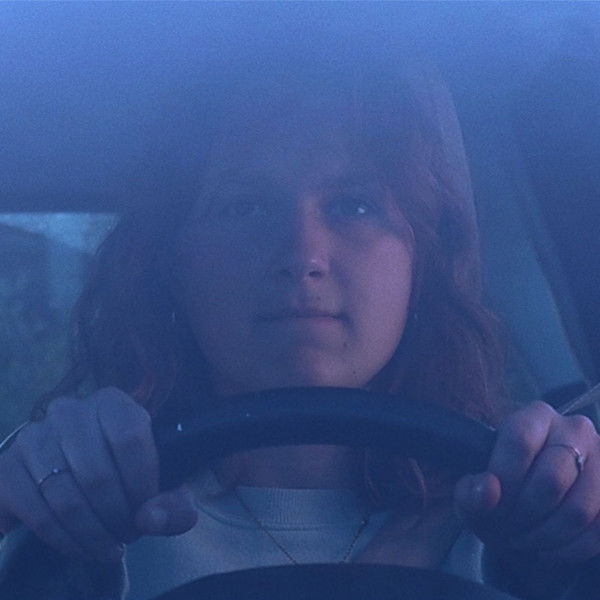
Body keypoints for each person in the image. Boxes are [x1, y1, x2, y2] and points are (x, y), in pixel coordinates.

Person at [1, 35, 599, 600]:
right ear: (170, 262)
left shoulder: (533, 523)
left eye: (354, 206)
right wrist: (25, 499)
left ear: (422, 265)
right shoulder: (81, 527)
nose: (302, 254)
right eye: (247, 207)